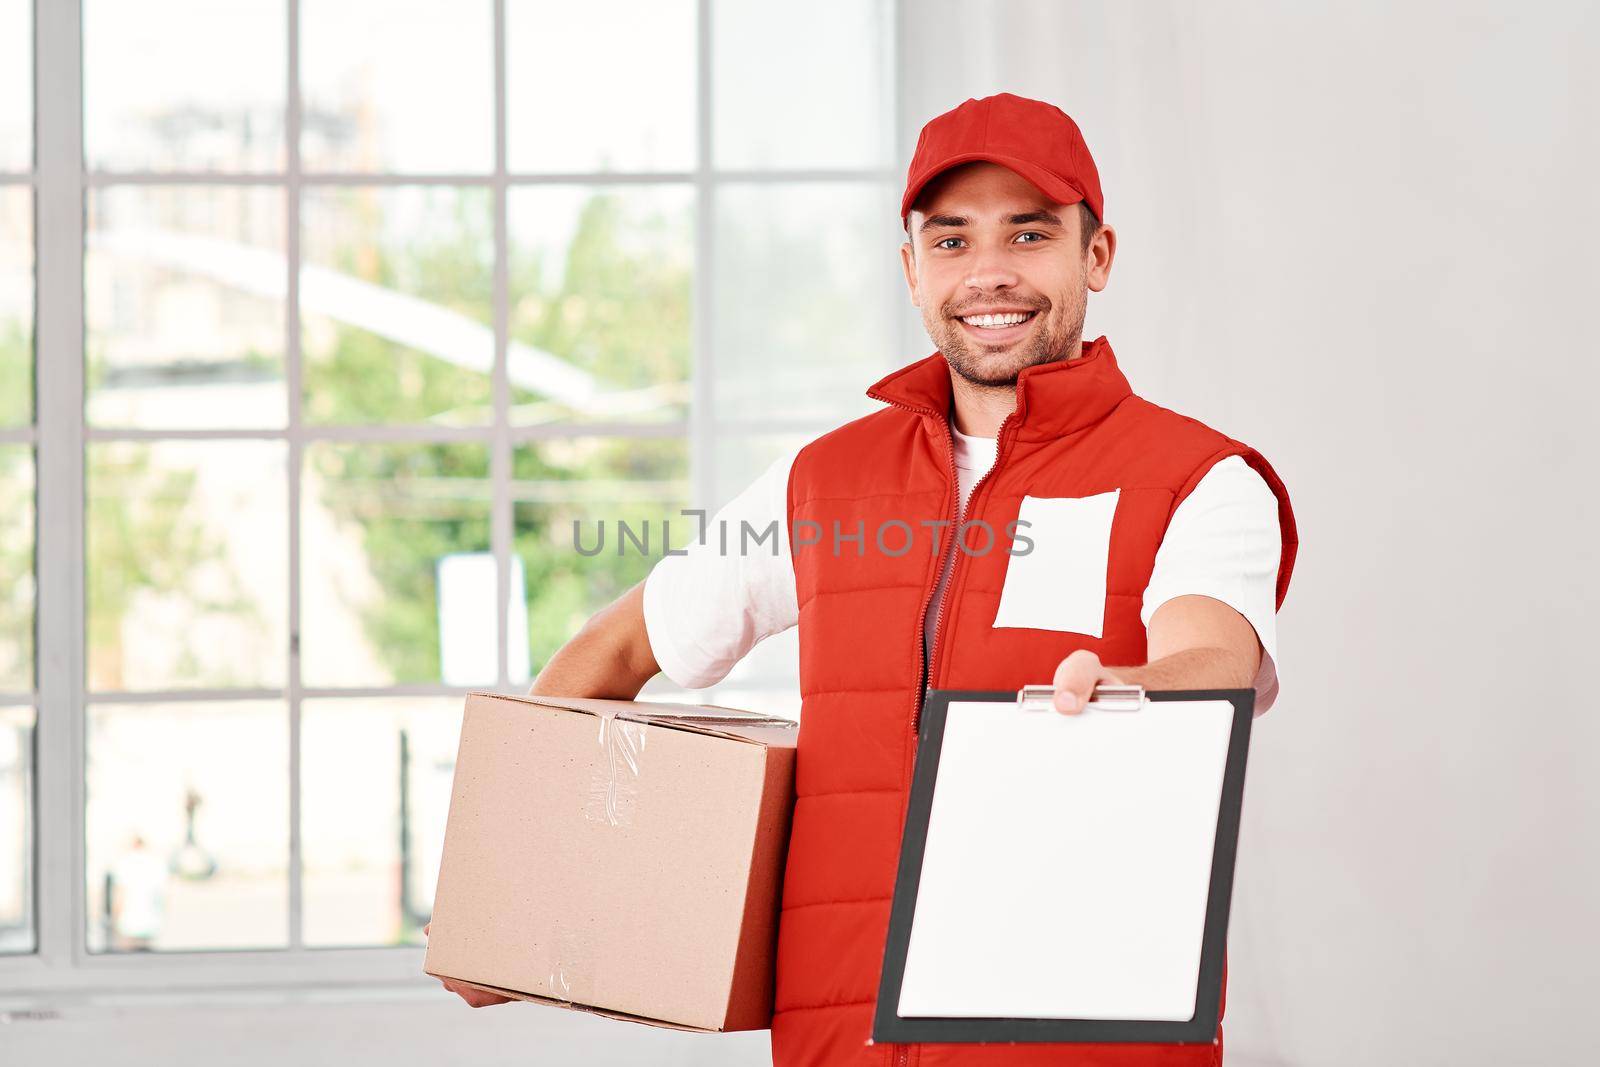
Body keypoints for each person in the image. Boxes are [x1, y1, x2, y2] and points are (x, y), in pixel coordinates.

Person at [429, 92, 1298, 1067]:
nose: (990, 274)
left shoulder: (1201, 478)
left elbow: (1212, 656)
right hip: (838, 1040)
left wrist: (1120, 692)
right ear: (910, 268)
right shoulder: (823, 481)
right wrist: (519, 898)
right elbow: (622, 645)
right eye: (952, 241)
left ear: (1095, 255)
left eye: (1029, 233)